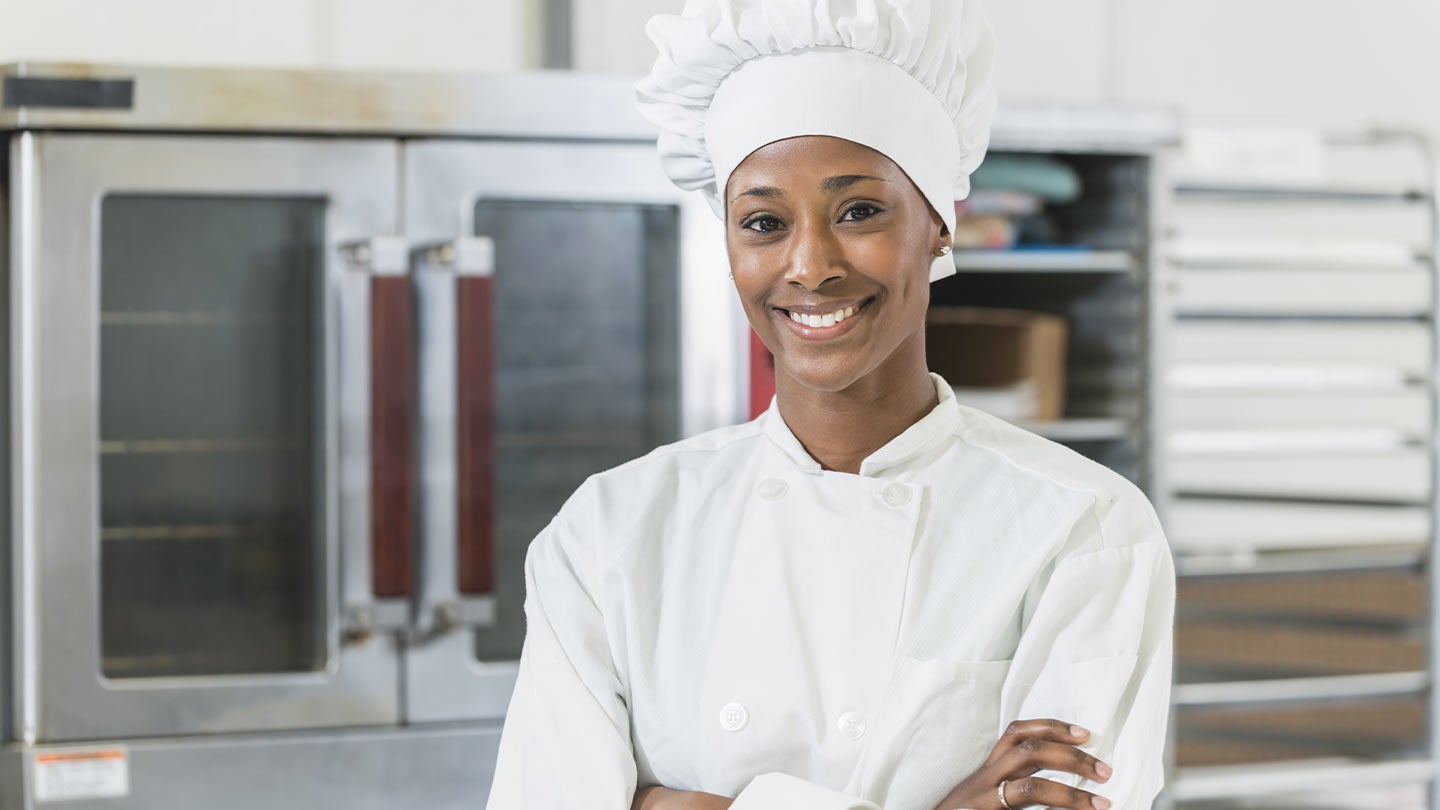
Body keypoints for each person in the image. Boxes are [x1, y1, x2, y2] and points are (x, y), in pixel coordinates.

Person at [485, 1, 1176, 808]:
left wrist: (661, 801)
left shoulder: (1082, 530)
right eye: (764, 222)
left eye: (859, 212)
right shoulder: (612, 531)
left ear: (940, 225)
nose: (809, 266)